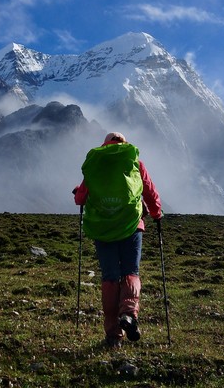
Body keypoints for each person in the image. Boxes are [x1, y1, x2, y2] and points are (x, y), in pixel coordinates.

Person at [74, 132, 162, 347]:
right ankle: (129, 313)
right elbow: (149, 191)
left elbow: (80, 198)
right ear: (125, 144)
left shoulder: (97, 164)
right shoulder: (134, 162)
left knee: (110, 277)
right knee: (131, 271)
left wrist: (78, 193)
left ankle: (113, 335)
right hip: (132, 226)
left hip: (103, 228)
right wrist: (157, 214)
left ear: (105, 145)